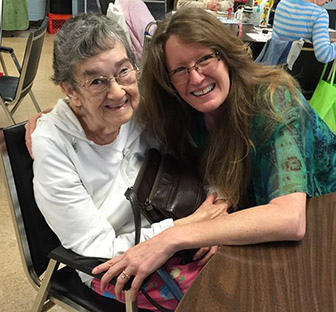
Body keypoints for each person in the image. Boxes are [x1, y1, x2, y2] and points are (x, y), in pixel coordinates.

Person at [92, 8, 336, 302]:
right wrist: (61, 118)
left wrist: (172, 237)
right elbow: (118, 97)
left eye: (205, 58)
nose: (195, 77)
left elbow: (288, 218)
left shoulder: (273, 97)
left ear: (226, 55)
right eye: (180, 69)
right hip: (287, 234)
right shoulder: (185, 110)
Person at [30, 13, 228, 311]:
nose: (117, 91)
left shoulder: (143, 106)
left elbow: (199, 155)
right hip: (121, 264)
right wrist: (186, 229)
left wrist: (216, 207)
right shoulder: (53, 145)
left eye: (123, 71)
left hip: (176, 229)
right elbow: (98, 249)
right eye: (96, 81)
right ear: (70, 90)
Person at [272, 0, 336, 63]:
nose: (329, 1)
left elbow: (295, 38)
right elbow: (324, 55)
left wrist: (326, 41)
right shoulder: (318, 14)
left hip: (276, 69)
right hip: (303, 74)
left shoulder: (282, 4)